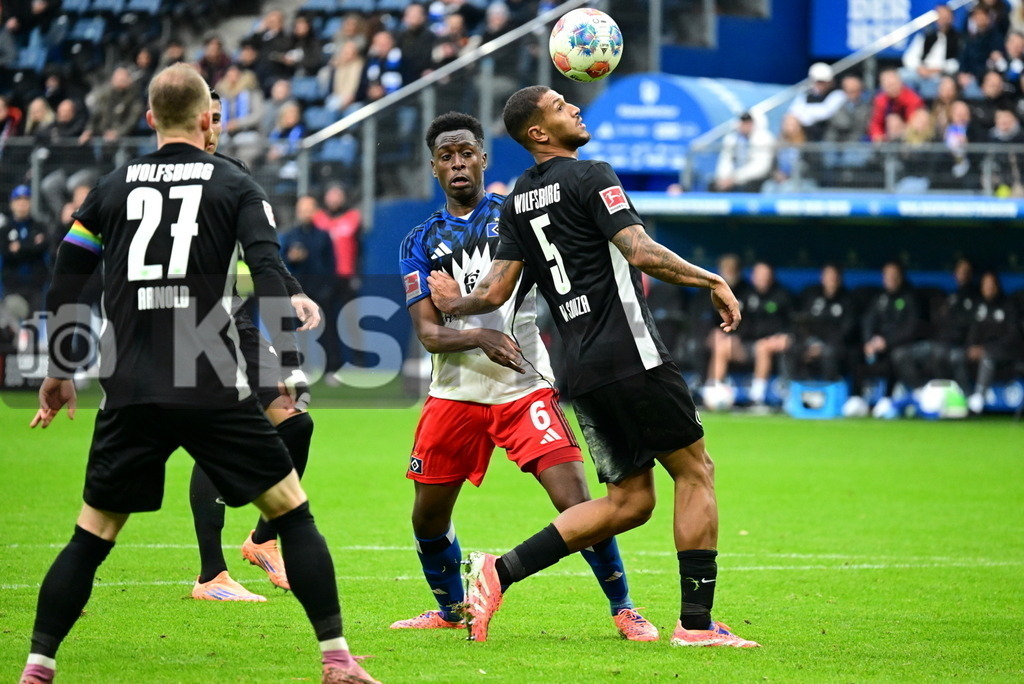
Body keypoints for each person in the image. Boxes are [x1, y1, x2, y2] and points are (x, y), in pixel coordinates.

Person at [18, 64, 378, 684]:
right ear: (209, 118)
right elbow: (267, 269)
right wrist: (290, 364)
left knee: (90, 538)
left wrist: (60, 367)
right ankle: (337, 659)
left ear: (150, 118)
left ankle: (37, 667)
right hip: (212, 380)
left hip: (129, 386)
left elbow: (67, 272)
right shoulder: (236, 184)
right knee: (293, 515)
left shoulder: (110, 188)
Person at [427, 86, 758, 648]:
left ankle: (498, 572)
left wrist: (455, 302)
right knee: (695, 472)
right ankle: (697, 625)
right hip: (631, 353)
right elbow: (641, 251)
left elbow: (495, 291)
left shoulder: (517, 200)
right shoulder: (590, 175)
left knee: (631, 502)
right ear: (538, 132)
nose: (575, 109)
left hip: (578, 370)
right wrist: (712, 279)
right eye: (561, 106)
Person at [394, 111, 657, 641]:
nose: (458, 164)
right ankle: (451, 609)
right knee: (427, 518)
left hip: (523, 388)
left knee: (577, 502)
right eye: (446, 157)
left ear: (483, 158)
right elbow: (428, 333)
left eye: (466, 153)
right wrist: (481, 336)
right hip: (454, 393)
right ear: (434, 168)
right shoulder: (418, 241)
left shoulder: (517, 216)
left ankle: (624, 608)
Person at [186, 87, 323, 604]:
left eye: (219, 118)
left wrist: (294, 291)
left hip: (235, 321)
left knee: (297, 422)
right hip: (184, 323)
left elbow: (261, 250)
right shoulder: (154, 179)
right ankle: (210, 575)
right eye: (204, 116)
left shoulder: (234, 173)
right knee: (216, 434)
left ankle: (263, 540)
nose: (212, 127)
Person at [707, 261, 793, 406]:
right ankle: (711, 394)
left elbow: (791, 324)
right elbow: (735, 320)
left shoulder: (782, 295)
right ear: (753, 276)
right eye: (759, 275)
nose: (762, 278)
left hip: (770, 345)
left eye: (765, 275)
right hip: (745, 345)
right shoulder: (745, 295)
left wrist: (785, 336)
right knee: (722, 345)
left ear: (772, 276)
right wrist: (731, 335)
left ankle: (756, 398)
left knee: (762, 346)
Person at [964, 270, 1022, 413]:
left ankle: (979, 398)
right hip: (983, 351)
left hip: (1007, 353)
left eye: (991, 284)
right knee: (958, 356)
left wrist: (986, 348)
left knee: (988, 356)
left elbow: (1014, 336)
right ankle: (966, 395)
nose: (988, 288)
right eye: (985, 284)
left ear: (997, 286)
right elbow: (972, 332)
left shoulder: (1008, 306)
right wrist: (972, 347)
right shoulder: (979, 307)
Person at [1, 184, 50, 314]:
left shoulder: (40, 226)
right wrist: (31, 246)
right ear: (12, 203)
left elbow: (42, 248)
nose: (22, 204)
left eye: (26, 200)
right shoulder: (5, 229)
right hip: (12, 285)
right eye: (18, 200)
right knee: (10, 322)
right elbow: (5, 252)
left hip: (35, 285)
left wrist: (20, 248)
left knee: (33, 322)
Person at [712, 111, 774, 192]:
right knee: (713, 185)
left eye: (748, 122)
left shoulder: (763, 139)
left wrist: (735, 178)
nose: (745, 125)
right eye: (743, 122)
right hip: (732, 178)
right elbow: (725, 160)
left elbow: (760, 167)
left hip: (752, 179)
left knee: (752, 186)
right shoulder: (732, 139)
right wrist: (723, 178)